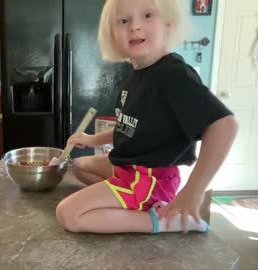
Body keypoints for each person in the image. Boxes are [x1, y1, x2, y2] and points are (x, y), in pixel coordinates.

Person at [55, 0, 238, 234]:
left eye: (148, 16)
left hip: (150, 178)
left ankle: (161, 221)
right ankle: (131, 205)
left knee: (68, 214)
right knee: (80, 166)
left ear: (168, 24)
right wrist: (91, 139)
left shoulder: (173, 74)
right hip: (129, 170)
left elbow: (225, 126)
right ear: (112, 35)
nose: (135, 27)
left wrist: (194, 191)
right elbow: (129, 129)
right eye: (124, 21)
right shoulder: (135, 77)